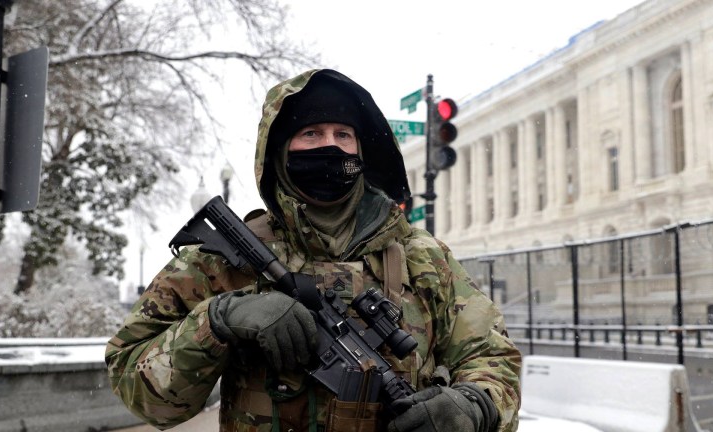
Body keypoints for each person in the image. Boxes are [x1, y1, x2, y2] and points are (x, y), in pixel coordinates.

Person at [106, 69, 522, 432]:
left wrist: (474, 406)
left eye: (344, 135)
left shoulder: (423, 257)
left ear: (362, 150)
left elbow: (491, 355)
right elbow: (140, 391)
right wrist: (218, 320)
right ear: (281, 150)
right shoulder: (221, 259)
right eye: (312, 133)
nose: (332, 146)